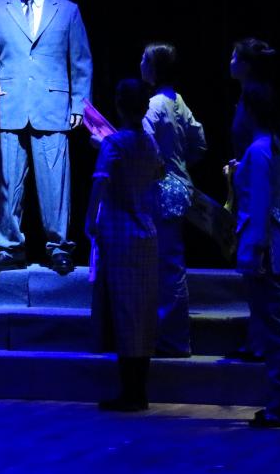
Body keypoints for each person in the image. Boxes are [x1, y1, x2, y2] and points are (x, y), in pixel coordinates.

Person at [0, 0, 93, 276]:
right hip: (10, 105)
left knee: (56, 183)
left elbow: (80, 61)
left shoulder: (67, 10)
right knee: (8, 184)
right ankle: (9, 247)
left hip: (52, 106)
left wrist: (79, 104)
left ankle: (59, 248)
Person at [86, 79, 163, 412]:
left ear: (119, 105)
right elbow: (158, 176)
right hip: (147, 233)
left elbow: (100, 183)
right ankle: (138, 389)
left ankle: (130, 392)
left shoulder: (114, 143)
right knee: (142, 312)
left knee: (124, 312)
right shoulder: (150, 143)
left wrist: (90, 220)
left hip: (120, 234)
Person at [232, 81, 280, 428]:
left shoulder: (260, 150)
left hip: (269, 249)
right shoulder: (272, 145)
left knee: (277, 330)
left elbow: (259, 205)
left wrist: (255, 251)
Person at [139, 43, 207, 357]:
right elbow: (199, 143)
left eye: (145, 59)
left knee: (166, 268)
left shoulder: (153, 105)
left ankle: (174, 340)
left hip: (161, 193)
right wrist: (180, 165)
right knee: (172, 266)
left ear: (154, 68)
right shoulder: (178, 100)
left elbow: (146, 150)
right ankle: (174, 337)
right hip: (180, 189)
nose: (141, 63)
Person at [223, 37, 278, 363]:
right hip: (246, 184)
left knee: (259, 271)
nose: (230, 61)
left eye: (234, 57)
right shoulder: (248, 95)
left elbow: (263, 150)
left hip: (255, 190)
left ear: (246, 64)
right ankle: (258, 338)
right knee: (254, 276)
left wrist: (242, 166)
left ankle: (263, 342)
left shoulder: (256, 97)